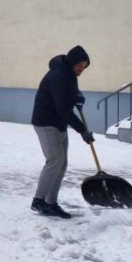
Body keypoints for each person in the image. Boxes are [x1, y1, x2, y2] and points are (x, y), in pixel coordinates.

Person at [31, 45, 93, 219]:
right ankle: (38, 201)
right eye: (80, 65)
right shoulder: (58, 76)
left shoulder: (69, 74)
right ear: (73, 62)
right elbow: (63, 109)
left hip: (58, 123)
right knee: (54, 161)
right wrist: (82, 130)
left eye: (84, 66)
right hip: (46, 122)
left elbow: (69, 94)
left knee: (62, 163)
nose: (82, 69)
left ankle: (51, 203)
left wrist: (77, 96)